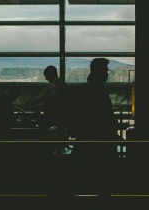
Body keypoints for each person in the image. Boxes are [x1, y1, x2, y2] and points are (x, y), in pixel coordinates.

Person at [70, 58, 119, 197]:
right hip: (101, 140)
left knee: (82, 177)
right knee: (103, 180)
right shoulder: (99, 90)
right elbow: (103, 117)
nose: (107, 74)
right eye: (106, 70)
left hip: (87, 138)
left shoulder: (86, 89)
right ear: (101, 72)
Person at [30, 66, 66, 130]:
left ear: (50, 75)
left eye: (46, 76)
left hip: (52, 114)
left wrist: (30, 102)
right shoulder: (62, 84)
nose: (46, 78)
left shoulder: (51, 86)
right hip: (61, 113)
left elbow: (39, 97)